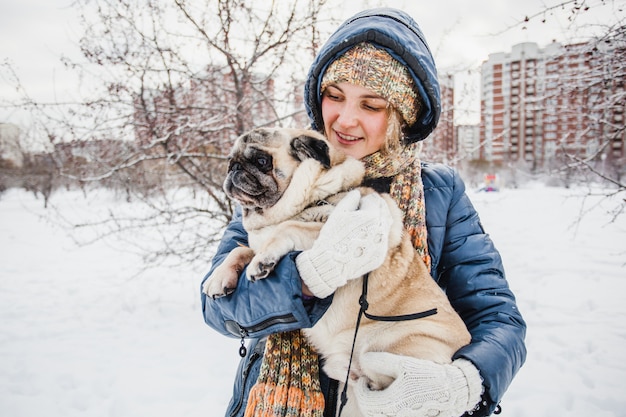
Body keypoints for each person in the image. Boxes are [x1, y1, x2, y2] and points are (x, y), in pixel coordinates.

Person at [201, 7, 526, 417]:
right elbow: (219, 309)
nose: (345, 118)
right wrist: (305, 279)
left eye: (371, 105)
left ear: (401, 116)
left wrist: (466, 382)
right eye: (334, 96)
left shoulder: (439, 192)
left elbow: (498, 317)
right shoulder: (280, 189)